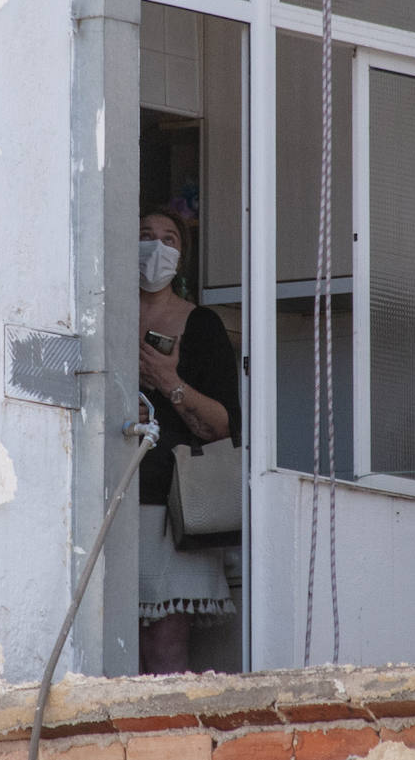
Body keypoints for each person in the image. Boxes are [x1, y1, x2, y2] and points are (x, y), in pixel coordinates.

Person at [137, 208, 242, 673]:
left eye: (169, 239)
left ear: (181, 256)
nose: (156, 247)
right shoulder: (95, 311)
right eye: (145, 236)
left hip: (172, 504)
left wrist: (167, 381)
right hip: (108, 500)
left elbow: (222, 425)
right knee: (102, 649)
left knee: (164, 648)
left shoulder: (200, 326)